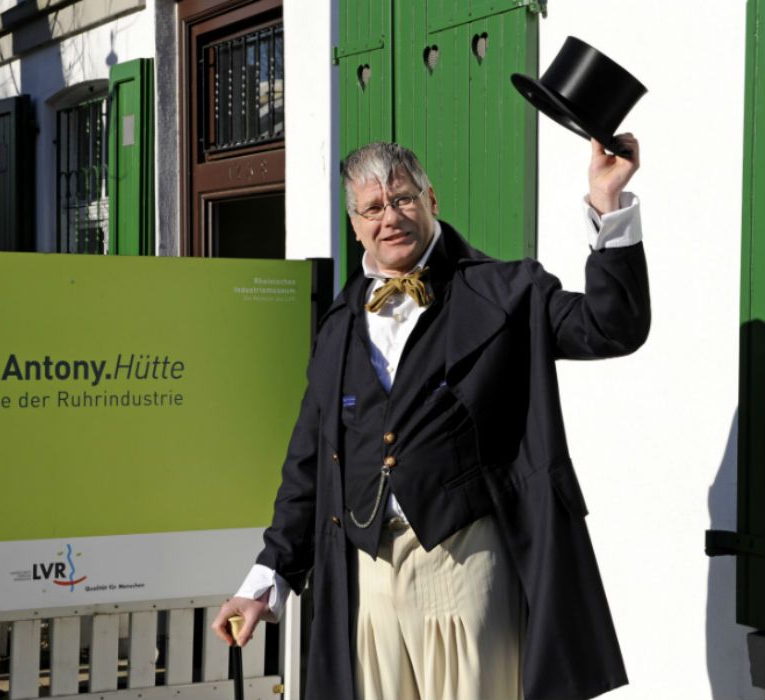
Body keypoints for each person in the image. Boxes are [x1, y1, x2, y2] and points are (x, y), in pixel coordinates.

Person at [212, 136, 649, 700]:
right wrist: (263, 582)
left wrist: (607, 202)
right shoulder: (340, 324)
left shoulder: (505, 291)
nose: (390, 217)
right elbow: (309, 463)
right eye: (373, 207)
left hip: (464, 564)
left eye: (403, 199)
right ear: (354, 224)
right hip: (367, 578)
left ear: (431, 199)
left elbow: (611, 327)